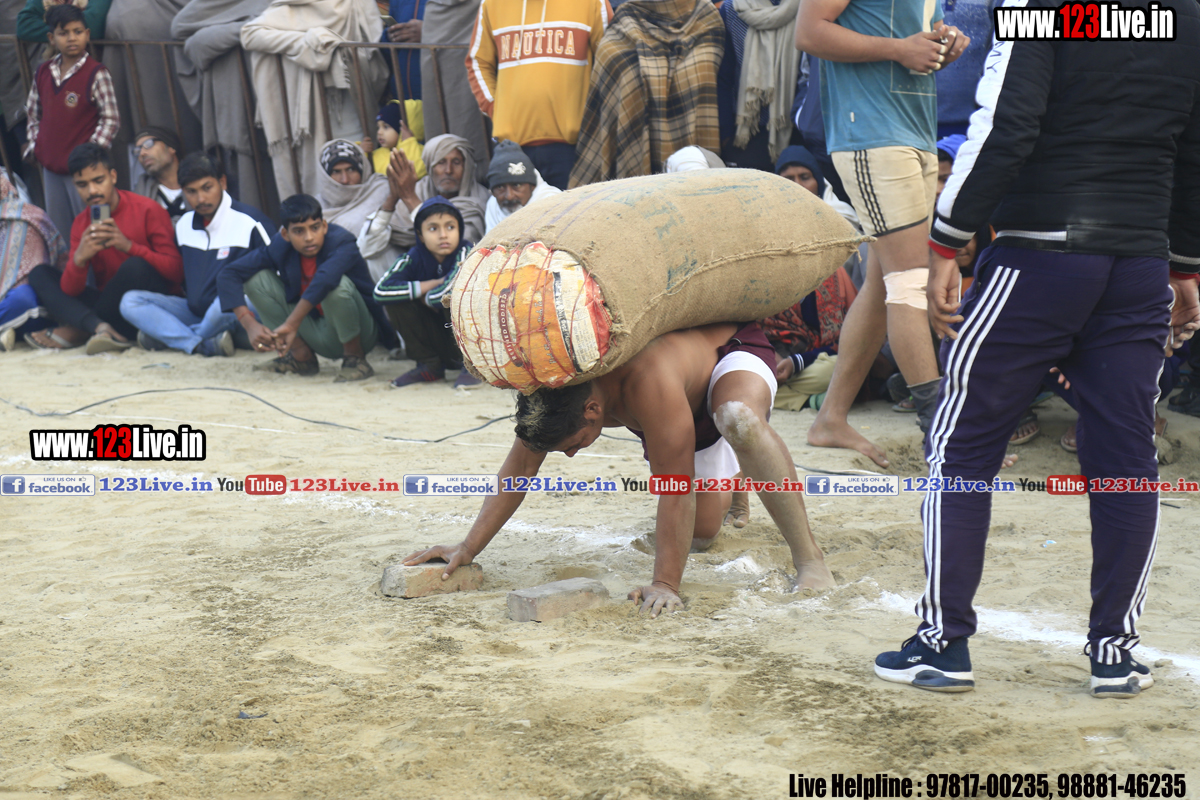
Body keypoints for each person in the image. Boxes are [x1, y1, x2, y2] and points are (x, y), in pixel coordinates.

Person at [873, 0, 1200, 698]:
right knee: (1126, 459)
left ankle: (943, 643)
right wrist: (1183, 266)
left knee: (961, 444)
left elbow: (1005, 123)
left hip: (1040, 257)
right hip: (1137, 262)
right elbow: (1192, 150)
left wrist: (946, 240)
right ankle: (1115, 653)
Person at [404, 321, 837, 615]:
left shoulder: (648, 386)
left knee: (737, 418)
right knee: (703, 533)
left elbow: (676, 488)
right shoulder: (554, 393)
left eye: (572, 445)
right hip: (680, 409)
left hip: (730, 356)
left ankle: (810, 558)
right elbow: (518, 469)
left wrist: (665, 584)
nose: (570, 456)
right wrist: (468, 547)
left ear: (593, 411)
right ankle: (736, 476)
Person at [795, 0, 969, 467]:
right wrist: (899, 49)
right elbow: (809, 33)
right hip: (871, 135)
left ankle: (830, 418)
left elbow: (918, 34)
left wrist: (943, 44)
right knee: (908, 281)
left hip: (913, 132)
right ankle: (944, 435)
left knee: (882, 282)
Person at [217, 194, 398, 382]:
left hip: (360, 333)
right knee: (256, 280)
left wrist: (291, 324)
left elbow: (325, 280)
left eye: (315, 228)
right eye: (298, 231)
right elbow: (228, 274)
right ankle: (301, 358)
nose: (309, 237)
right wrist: (249, 325)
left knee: (336, 287)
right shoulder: (280, 246)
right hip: (314, 330)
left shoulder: (342, 242)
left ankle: (355, 359)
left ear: (324, 226)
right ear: (285, 235)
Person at [24, 143, 182, 354]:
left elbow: (176, 272)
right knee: (39, 274)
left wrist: (129, 246)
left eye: (98, 181)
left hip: (149, 306)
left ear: (113, 177)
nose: (92, 191)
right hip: (109, 305)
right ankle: (99, 327)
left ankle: (83, 329)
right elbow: (71, 291)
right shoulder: (82, 223)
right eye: (82, 184)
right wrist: (79, 260)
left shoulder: (147, 209)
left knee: (135, 266)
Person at [120, 153, 273, 356]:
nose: (201, 199)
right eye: (191, 191)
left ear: (222, 183)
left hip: (241, 311)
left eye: (207, 188)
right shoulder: (184, 225)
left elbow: (276, 280)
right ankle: (200, 343)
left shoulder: (250, 222)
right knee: (130, 301)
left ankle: (174, 338)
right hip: (196, 312)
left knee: (223, 303)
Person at [466, 0, 612, 190]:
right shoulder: (492, 4)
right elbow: (478, 62)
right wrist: (495, 108)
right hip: (513, 145)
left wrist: (594, 116)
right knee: (517, 210)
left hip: (574, 145)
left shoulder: (592, 3)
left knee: (573, 209)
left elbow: (611, 61)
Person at [22, 3, 120, 241]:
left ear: (87, 34)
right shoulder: (43, 72)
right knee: (63, 233)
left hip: (87, 172)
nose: (72, 38)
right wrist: (38, 146)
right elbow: (33, 114)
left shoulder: (97, 73)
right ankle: (71, 267)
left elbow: (111, 119)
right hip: (51, 169)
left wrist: (90, 155)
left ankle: (102, 267)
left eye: (77, 32)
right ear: (52, 38)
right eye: (63, 33)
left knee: (97, 229)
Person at [374, 196, 477, 387]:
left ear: (460, 230)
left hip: (467, 344)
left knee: (455, 298)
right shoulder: (413, 257)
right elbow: (381, 291)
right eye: (433, 229)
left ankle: (472, 366)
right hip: (436, 338)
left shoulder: (467, 252)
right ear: (420, 235)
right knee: (396, 301)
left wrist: (426, 297)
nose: (443, 235)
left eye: (450, 227)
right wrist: (434, 283)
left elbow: (447, 292)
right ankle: (429, 365)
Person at [357, 134, 489, 279]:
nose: (448, 170)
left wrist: (410, 198)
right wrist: (392, 198)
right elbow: (365, 248)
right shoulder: (420, 189)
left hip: (454, 281)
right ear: (430, 167)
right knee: (376, 252)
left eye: (456, 162)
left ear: (467, 166)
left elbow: (456, 247)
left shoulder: (478, 199)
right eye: (441, 162)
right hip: (418, 278)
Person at [0, 172, 68, 352]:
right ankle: (6, 331)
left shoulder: (29, 217)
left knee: (23, 299)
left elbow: (57, 263)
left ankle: (7, 329)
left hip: (32, 305)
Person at [484, 140, 561, 232]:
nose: (509, 196)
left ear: (533, 186)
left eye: (516, 185)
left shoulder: (554, 203)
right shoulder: (493, 206)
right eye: (500, 187)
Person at [133, 127, 188, 224]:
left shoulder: (199, 182)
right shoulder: (140, 194)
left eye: (148, 144)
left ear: (171, 148)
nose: (142, 153)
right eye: (137, 151)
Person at [364, 101, 426, 179]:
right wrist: (362, 153)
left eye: (386, 127)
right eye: (378, 127)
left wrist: (409, 142)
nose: (379, 132)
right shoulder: (375, 155)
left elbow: (416, 171)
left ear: (403, 129)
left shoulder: (420, 151)